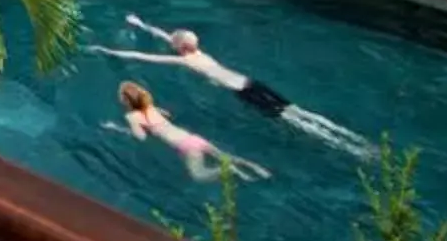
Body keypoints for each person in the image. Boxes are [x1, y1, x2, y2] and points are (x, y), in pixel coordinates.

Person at [93, 15, 374, 158]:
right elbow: (170, 37)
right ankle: (350, 137)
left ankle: (348, 148)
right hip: (252, 82)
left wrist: (109, 51)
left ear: (179, 48)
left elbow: (145, 56)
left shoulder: (187, 62)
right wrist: (141, 24)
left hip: (245, 93)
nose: (171, 44)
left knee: (294, 121)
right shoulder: (199, 53)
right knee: (298, 111)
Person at [117, 81, 269, 183]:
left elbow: (141, 137)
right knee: (228, 157)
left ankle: (228, 171)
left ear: (126, 101)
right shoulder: (152, 107)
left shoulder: (131, 116)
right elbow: (167, 114)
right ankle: (258, 169)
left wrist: (126, 130)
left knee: (198, 175)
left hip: (185, 146)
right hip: (194, 138)